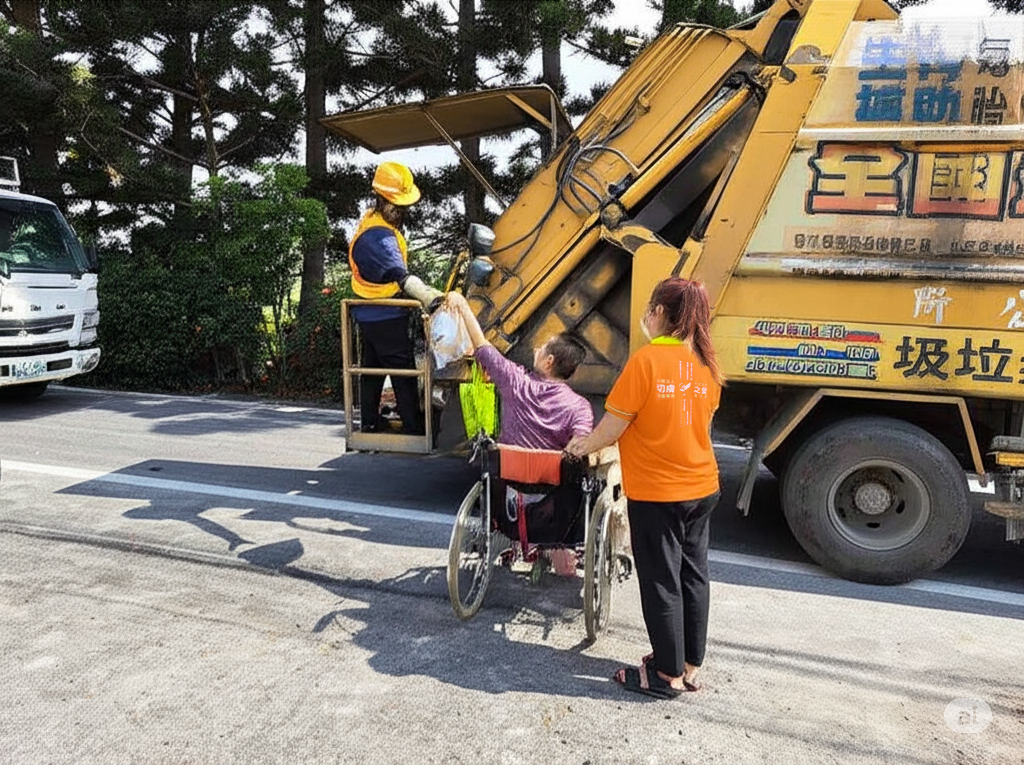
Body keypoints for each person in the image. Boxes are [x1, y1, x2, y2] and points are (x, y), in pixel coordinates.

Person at [567, 277, 724, 698]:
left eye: (650, 311)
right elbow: (698, 426)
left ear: (658, 313)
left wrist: (583, 445)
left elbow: (613, 428)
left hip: (659, 492)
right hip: (702, 487)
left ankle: (666, 675)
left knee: (660, 580)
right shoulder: (706, 364)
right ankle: (688, 665)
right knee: (693, 576)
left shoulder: (647, 361)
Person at [349, 161, 442, 435]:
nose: (399, 210)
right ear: (379, 198)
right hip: (385, 313)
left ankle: (369, 422)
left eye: (403, 206)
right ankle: (414, 427)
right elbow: (398, 274)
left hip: (371, 311)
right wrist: (429, 297)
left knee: (373, 368)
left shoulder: (373, 223)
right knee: (403, 370)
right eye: (394, 204)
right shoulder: (377, 237)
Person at [445, 291, 592, 450]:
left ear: (549, 362)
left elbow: (482, 345)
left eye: (542, 348)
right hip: (549, 467)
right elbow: (581, 443)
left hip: (508, 465)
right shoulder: (580, 406)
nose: (536, 350)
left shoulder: (517, 381)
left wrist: (461, 304)